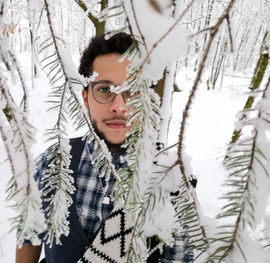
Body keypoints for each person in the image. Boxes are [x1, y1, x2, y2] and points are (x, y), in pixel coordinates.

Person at [16, 32, 193, 263]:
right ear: (86, 97)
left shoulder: (169, 179)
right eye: (104, 90)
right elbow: (29, 238)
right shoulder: (52, 163)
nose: (119, 107)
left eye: (133, 90)